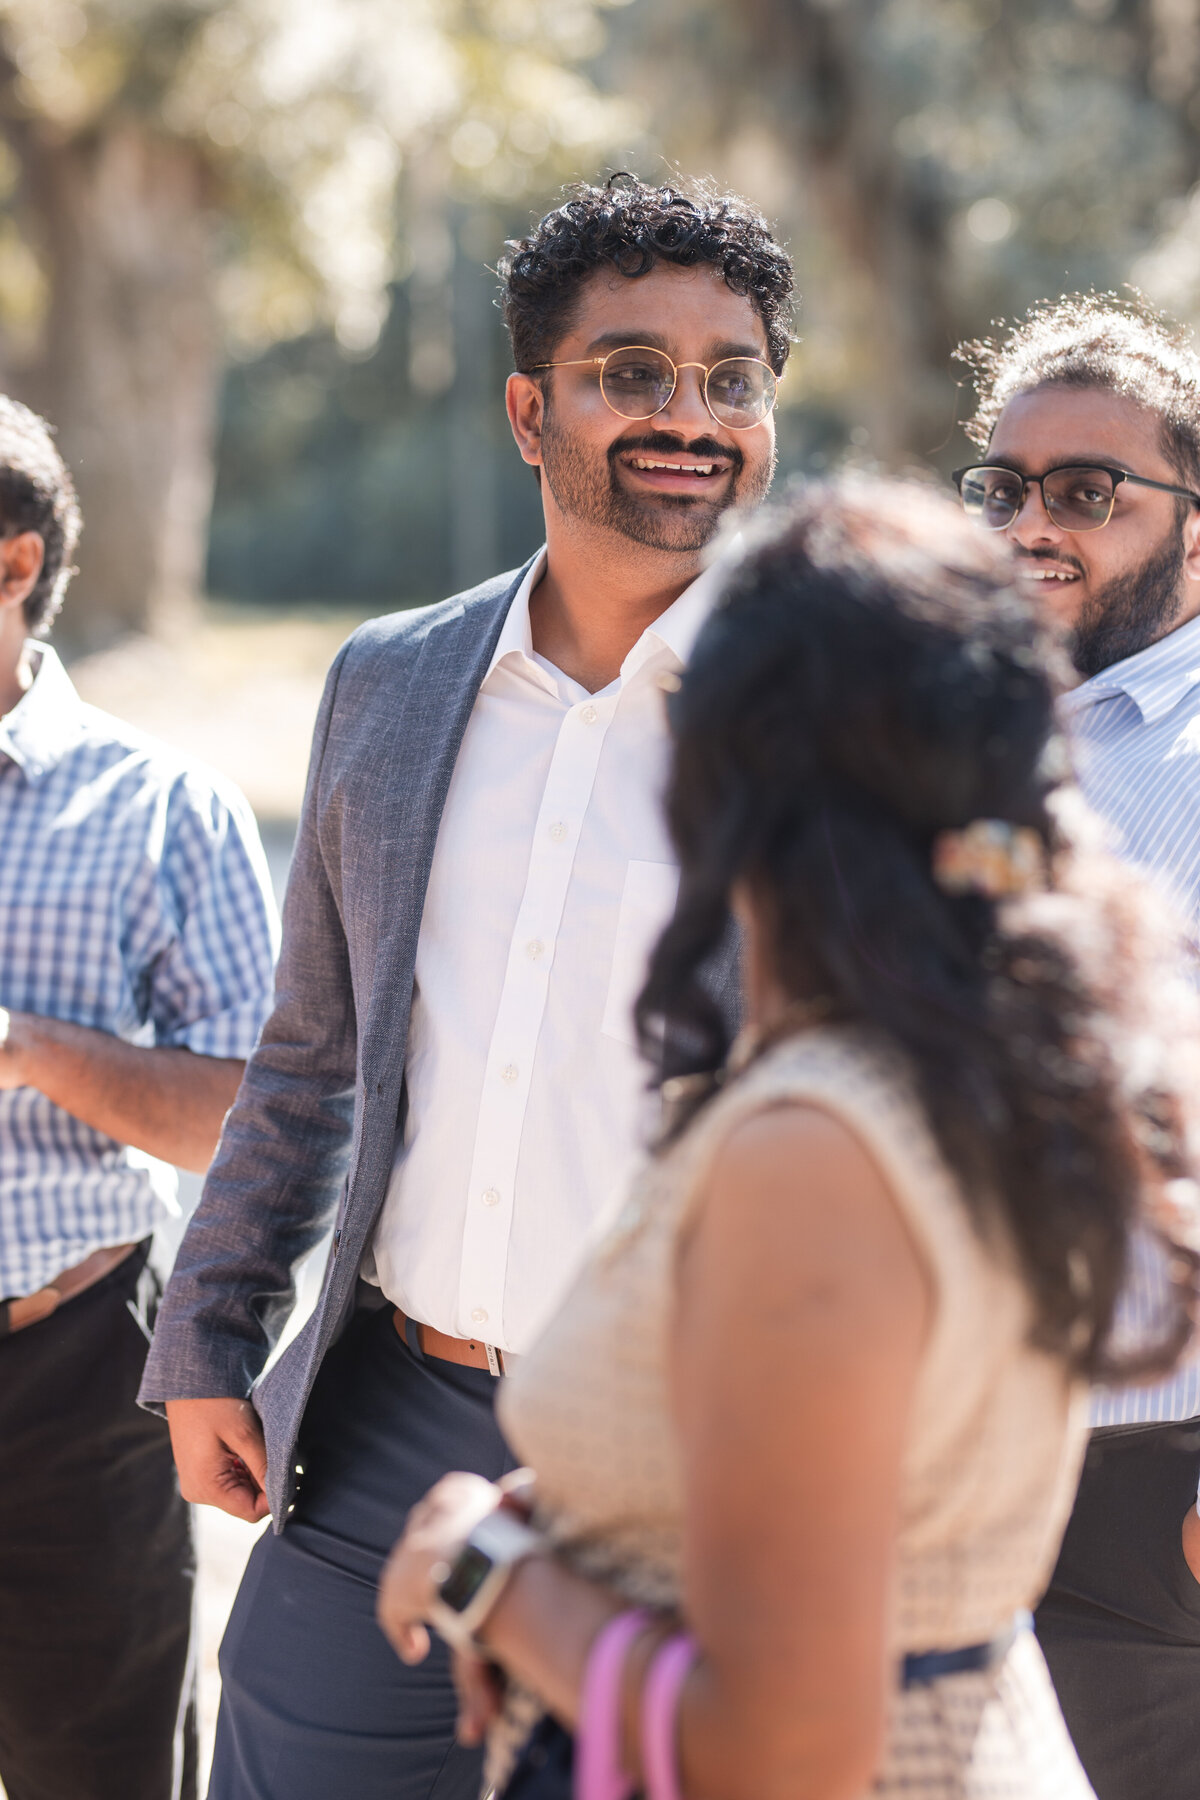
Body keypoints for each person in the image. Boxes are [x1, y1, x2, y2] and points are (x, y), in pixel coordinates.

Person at [378, 477, 1200, 1800]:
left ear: (730, 770)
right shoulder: (994, 1059)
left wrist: (483, 1567)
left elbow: (783, 1754)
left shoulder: (818, 1149)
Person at [138, 174, 793, 1800]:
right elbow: (312, 1052)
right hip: (391, 1417)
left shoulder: (824, 716)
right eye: (629, 370)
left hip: (691, 1463)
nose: (689, 416)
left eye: (731, 377)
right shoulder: (393, 683)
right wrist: (209, 1330)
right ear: (527, 411)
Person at [0, 396, 279, 1800]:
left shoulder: (163, 807)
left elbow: (254, 1115)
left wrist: (23, 1045)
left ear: (10, 565)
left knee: (94, 1778)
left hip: (68, 1375)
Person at [953, 295, 1200, 1800]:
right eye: (1005, 486)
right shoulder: (964, 734)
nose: (1033, 522)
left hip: (1145, 1475)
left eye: (1088, 491)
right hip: (945, 1459)